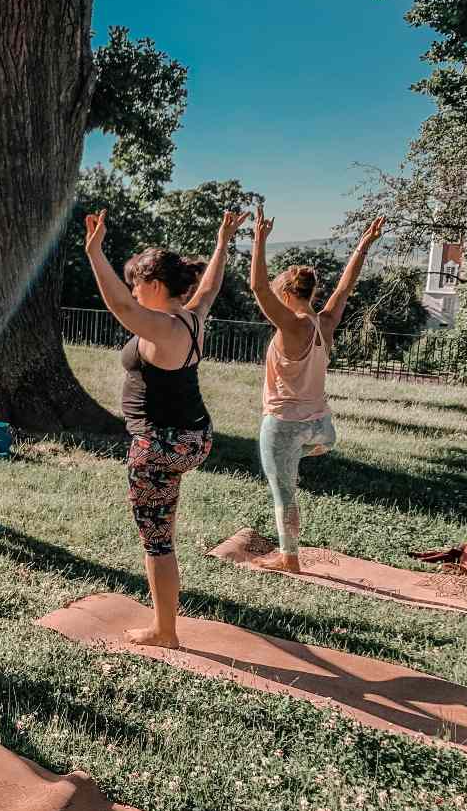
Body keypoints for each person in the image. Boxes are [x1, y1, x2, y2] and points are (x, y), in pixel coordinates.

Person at [84, 207, 247, 649]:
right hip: (196, 437)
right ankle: (165, 623)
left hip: (160, 446)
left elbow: (118, 305)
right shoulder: (192, 317)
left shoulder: (159, 326)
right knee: (162, 533)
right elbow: (210, 285)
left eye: (137, 283)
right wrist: (221, 243)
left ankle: (165, 631)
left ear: (154, 285)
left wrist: (94, 252)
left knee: (157, 541)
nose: (133, 293)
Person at [249, 208, 386, 573]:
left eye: (279, 292)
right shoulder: (325, 322)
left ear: (287, 293)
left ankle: (288, 557)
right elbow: (345, 286)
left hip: (284, 424)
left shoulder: (292, 327)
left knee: (284, 494)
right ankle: (294, 462)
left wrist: (259, 242)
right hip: (323, 429)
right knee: (291, 469)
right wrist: (364, 244)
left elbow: (257, 287)